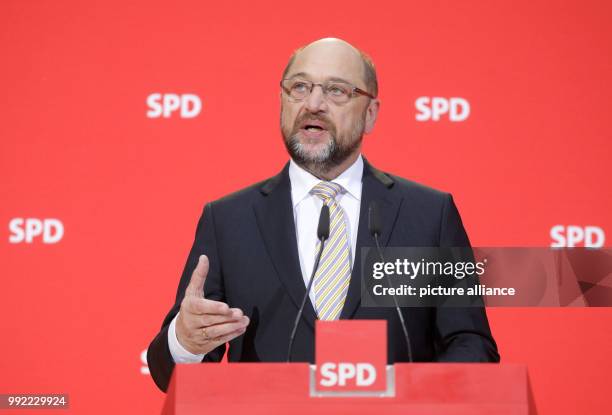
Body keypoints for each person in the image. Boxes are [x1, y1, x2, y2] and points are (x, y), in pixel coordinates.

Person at [147, 38, 499, 392]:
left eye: (336, 91)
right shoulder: (228, 221)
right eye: (299, 87)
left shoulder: (428, 215)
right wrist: (185, 342)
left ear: (371, 113)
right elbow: (168, 373)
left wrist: (418, 396)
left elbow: (471, 345)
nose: (313, 104)